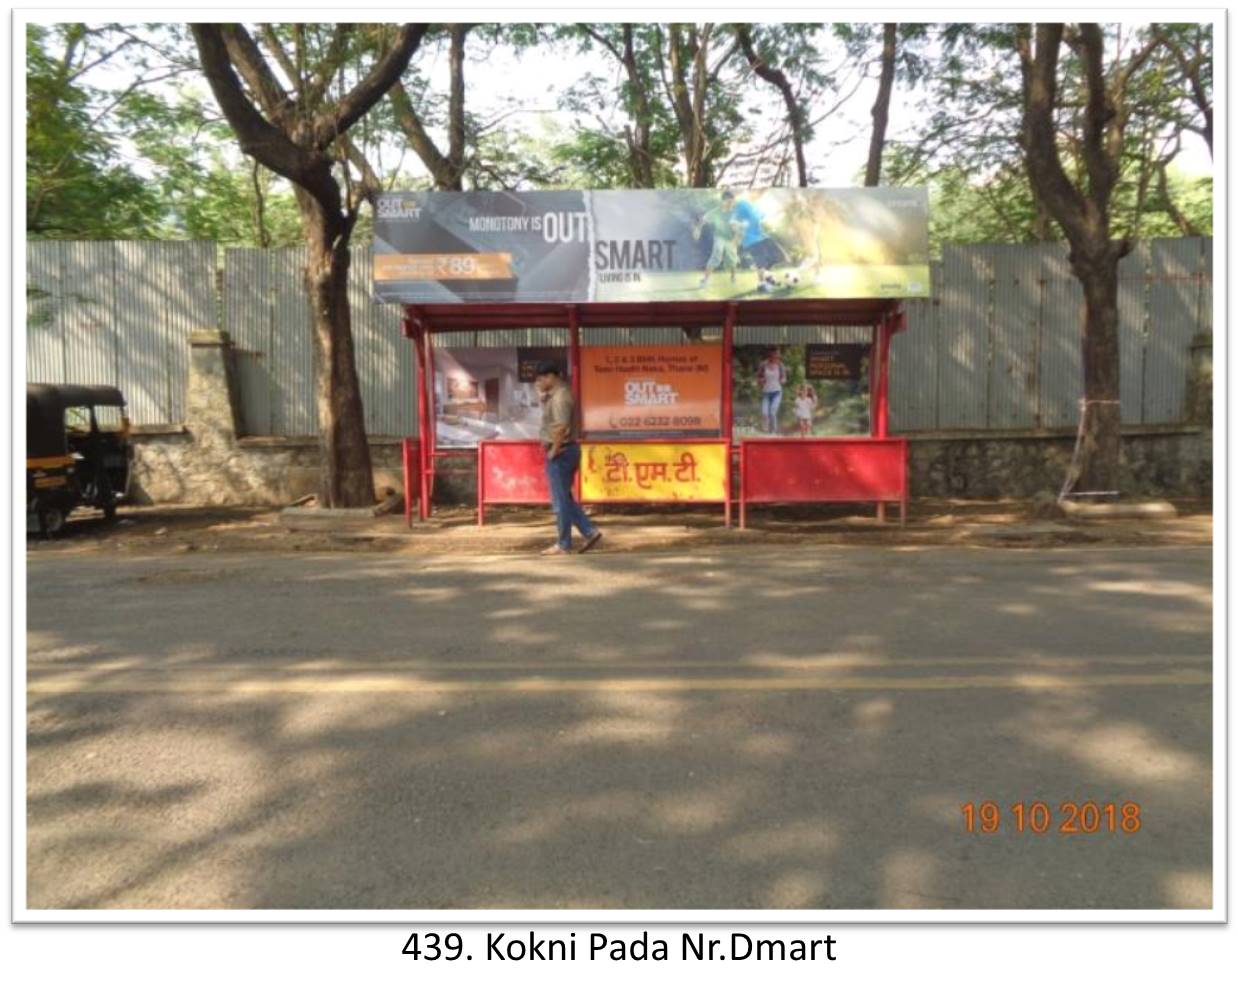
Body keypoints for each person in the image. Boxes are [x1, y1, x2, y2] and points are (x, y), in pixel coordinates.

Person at [535, 361, 602, 555]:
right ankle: (590, 532)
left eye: (541, 379)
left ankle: (564, 544)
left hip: (562, 452)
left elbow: (561, 426)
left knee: (560, 501)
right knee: (565, 498)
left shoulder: (561, 397)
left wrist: (554, 449)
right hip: (564, 450)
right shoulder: (555, 395)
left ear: (551, 377)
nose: (539, 383)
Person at [692, 191, 742, 290]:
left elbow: (739, 229)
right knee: (716, 256)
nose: (730, 204)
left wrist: (737, 238)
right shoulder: (715, 212)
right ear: (723, 201)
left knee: (732, 260)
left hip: (731, 239)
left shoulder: (734, 213)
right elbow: (703, 220)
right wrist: (697, 230)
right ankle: (704, 280)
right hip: (719, 237)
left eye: (732, 202)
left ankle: (733, 277)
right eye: (728, 201)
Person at [755, 347, 787, 434]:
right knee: (765, 413)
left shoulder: (780, 365)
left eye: (778, 354)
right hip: (766, 393)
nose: (777, 356)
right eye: (775, 354)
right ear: (770, 354)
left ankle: (773, 432)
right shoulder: (763, 365)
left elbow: (784, 378)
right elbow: (758, 377)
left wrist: (783, 380)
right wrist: (760, 381)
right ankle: (765, 430)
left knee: (772, 413)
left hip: (777, 392)